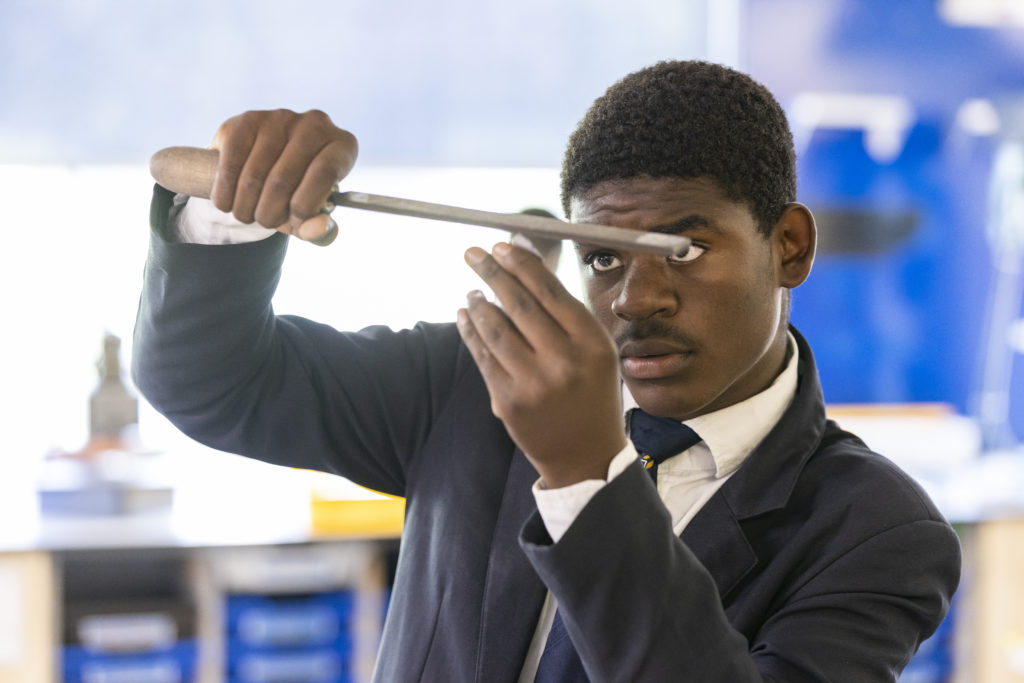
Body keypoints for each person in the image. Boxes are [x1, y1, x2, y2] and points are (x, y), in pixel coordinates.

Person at [133, 60, 960, 681]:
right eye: (603, 256)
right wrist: (233, 207)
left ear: (790, 247)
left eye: (685, 248)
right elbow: (211, 378)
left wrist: (586, 478)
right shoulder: (475, 382)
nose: (638, 298)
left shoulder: (878, 531)